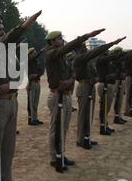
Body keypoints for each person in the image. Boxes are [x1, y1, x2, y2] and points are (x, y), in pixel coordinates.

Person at [0, 11, 42, 181]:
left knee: (8, 144)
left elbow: (21, 77)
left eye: (3, 29)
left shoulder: (8, 52)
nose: (1, 31)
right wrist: (23, 26)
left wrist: (12, 85)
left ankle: (6, 180)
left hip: (11, 99)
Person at [45, 28, 105, 171]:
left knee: (63, 128)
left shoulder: (64, 57)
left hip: (65, 95)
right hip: (56, 95)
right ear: (52, 41)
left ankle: (61, 153)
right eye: (59, 39)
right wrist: (86, 36)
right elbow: (67, 49)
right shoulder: (51, 53)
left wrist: (70, 80)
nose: (62, 40)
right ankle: (55, 157)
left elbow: (73, 73)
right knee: (56, 128)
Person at [73, 36, 126, 149]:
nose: (85, 49)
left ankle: (87, 137)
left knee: (89, 114)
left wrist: (96, 78)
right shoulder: (79, 58)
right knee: (83, 115)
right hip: (84, 87)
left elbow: (94, 74)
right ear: (77, 49)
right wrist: (112, 43)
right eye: (82, 47)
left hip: (90, 86)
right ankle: (80, 140)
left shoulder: (87, 61)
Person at [27, 47, 45, 126]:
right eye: (33, 53)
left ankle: (35, 118)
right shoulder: (28, 61)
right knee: (31, 102)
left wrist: (36, 74)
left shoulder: (35, 62)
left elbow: (41, 71)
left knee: (35, 103)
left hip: (37, 82)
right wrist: (40, 51)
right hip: (31, 83)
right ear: (30, 54)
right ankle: (31, 119)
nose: (35, 54)